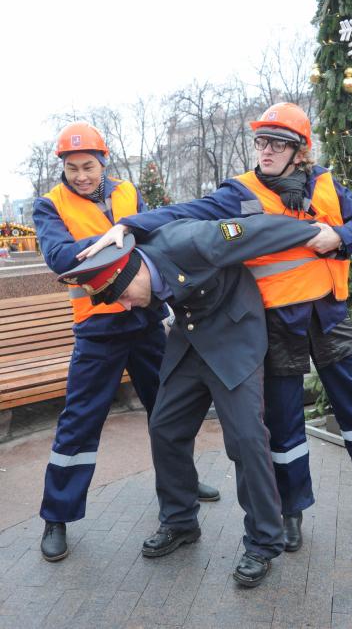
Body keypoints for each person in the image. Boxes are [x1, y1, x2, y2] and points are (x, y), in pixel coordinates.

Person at [83, 102, 352, 555]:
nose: (266, 150)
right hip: (278, 323)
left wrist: (340, 237)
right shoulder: (238, 191)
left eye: (277, 143)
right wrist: (127, 225)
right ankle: (291, 511)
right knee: (283, 424)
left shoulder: (325, 184)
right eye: (261, 141)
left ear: (300, 150)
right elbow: (187, 212)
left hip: (328, 315)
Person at [61, 212, 321, 586]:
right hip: (191, 339)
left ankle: (264, 541)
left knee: (246, 440)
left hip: (234, 337)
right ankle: (180, 521)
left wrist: (319, 233)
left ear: (133, 274)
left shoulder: (199, 239)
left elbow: (261, 229)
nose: (129, 307)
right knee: (165, 427)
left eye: (125, 298)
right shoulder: (140, 258)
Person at [32, 121, 218, 563]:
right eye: (73, 168)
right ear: (62, 167)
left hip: (146, 319)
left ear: (103, 162)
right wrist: (125, 236)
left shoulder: (127, 192)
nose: (81, 176)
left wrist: (116, 238)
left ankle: (182, 487)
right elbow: (60, 257)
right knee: (80, 422)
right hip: (98, 329)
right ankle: (57, 516)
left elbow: (157, 232)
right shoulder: (49, 205)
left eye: (89, 166)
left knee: (169, 411)